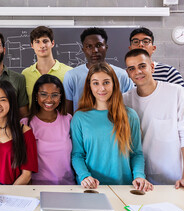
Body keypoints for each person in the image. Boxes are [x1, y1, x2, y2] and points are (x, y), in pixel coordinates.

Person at [70, 62, 153, 191]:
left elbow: (136, 153)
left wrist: (139, 176)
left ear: (114, 84)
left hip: (124, 187)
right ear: (89, 86)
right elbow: (77, 155)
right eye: (96, 83)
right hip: (91, 187)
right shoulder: (79, 117)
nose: (101, 88)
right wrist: (84, 176)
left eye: (106, 82)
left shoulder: (130, 116)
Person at [123, 49, 184, 188]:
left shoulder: (176, 92)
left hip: (175, 179)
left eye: (142, 66)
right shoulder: (125, 100)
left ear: (152, 67)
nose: (137, 72)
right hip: (139, 180)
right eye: (132, 69)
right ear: (128, 73)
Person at [64, 27, 133, 115]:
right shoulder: (72, 76)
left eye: (99, 45)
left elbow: (130, 106)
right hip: (83, 126)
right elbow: (68, 113)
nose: (94, 50)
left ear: (106, 47)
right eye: (89, 46)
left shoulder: (122, 75)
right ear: (83, 50)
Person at [21, 74, 75, 185]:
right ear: (36, 95)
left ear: (61, 96)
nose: (49, 99)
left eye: (54, 95)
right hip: (37, 187)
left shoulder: (68, 120)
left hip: (68, 186)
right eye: (43, 94)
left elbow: (77, 155)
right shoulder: (26, 124)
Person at [22, 26, 72, 106]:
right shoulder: (25, 74)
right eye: (37, 42)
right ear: (32, 45)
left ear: (52, 43)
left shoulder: (68, 72)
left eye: (45, 41)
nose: (42, 45)